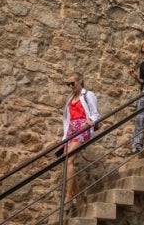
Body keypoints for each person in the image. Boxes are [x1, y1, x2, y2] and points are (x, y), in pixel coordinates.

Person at [61, 72, 100, 208]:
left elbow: (95, 113)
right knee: (66, 162)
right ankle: (79, 197)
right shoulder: (70, 98)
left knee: (70, 159)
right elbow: (67, 119)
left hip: (83, 128)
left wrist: (92, 121)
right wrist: (64, 138)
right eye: (69, 84)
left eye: (73, 83)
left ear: (80, 81)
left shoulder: (88, 94)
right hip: (71, 130)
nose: (71, 86)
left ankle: (68, 198)